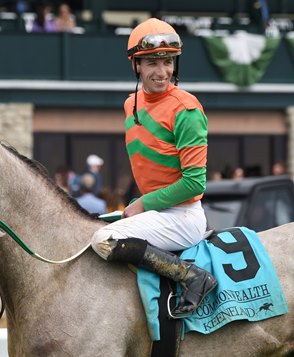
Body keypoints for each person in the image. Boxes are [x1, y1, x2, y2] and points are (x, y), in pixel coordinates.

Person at [90, 18, 216, 318]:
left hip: (184, 217)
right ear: (136, 65)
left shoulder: (186, 110)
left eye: (168, 62)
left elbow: (195, 184)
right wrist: (141, 204)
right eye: (152, 64)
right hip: (156, 212)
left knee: (104, 239)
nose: (162, 72)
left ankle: (191, 276)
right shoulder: (130, 104)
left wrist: (143, 203)